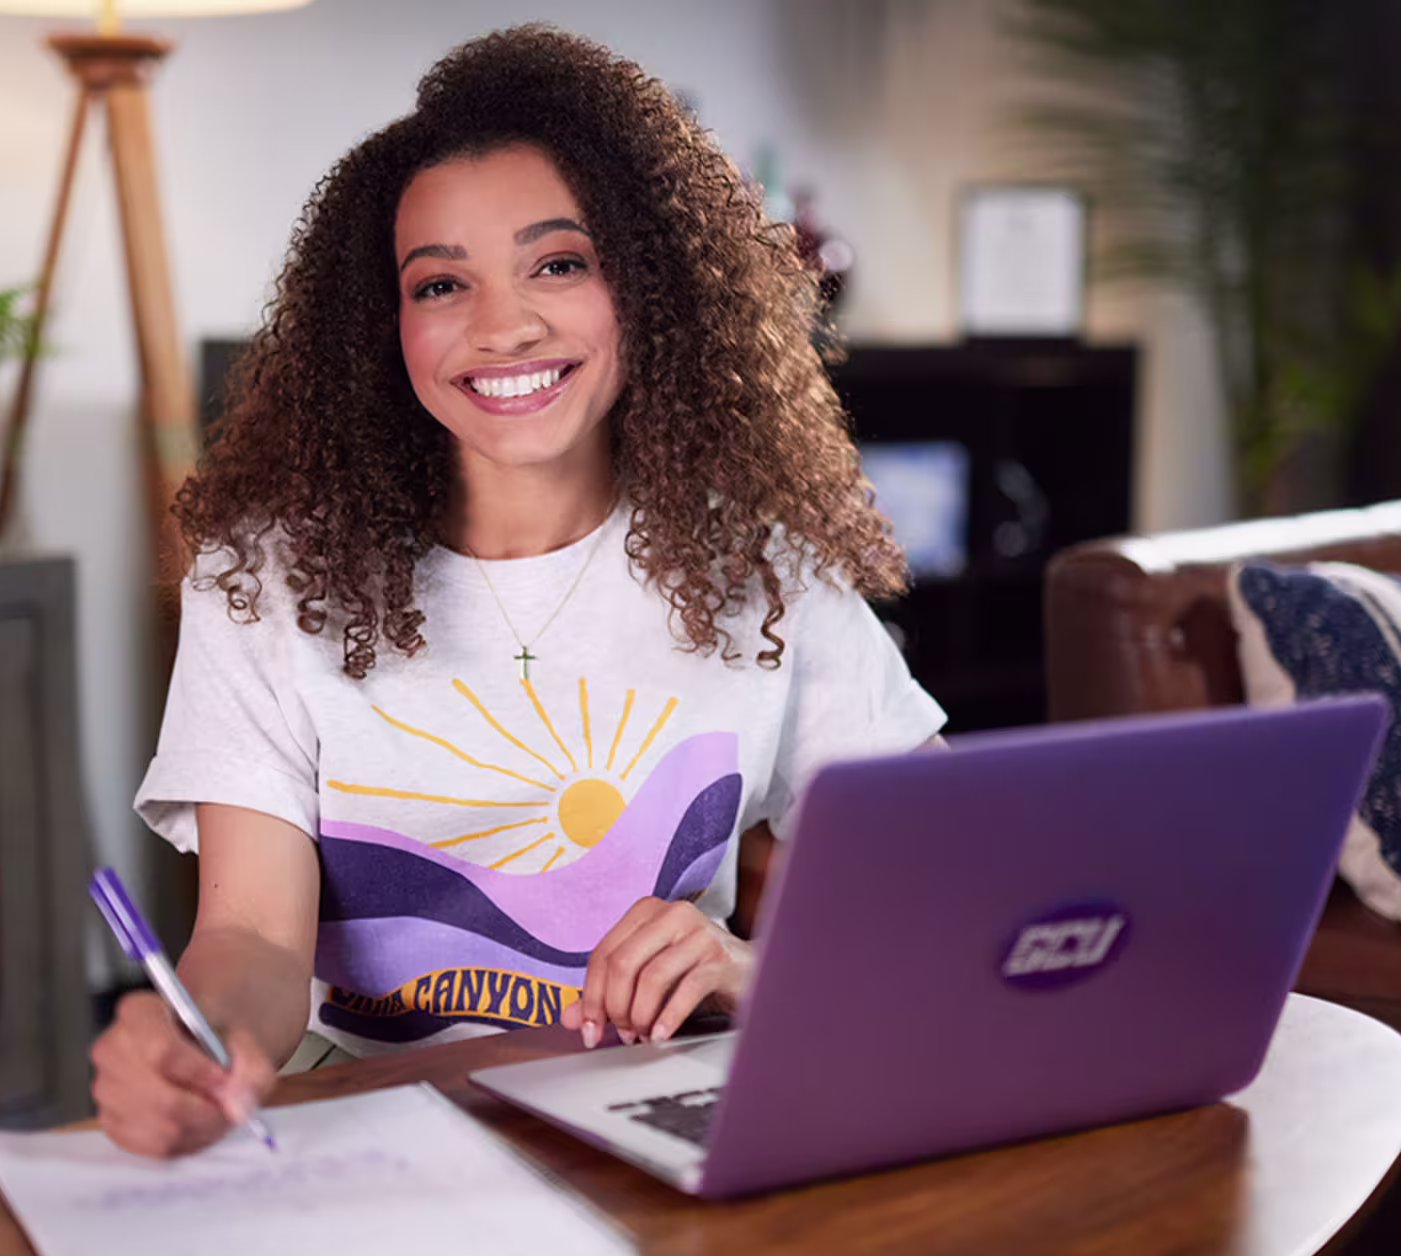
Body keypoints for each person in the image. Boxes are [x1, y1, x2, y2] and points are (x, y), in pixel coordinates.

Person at [89, 24, 945, 1159]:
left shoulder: (764, 566)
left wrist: (756, 967)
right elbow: (252, 934)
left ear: (650, 285)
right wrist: (202, 1040)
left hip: (659, 1101)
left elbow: (937, 879)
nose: (502, 326)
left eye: (559, 263)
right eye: (441, 283)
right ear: (383, 325)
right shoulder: (269, 576)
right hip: (371, 1111)